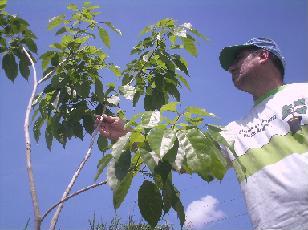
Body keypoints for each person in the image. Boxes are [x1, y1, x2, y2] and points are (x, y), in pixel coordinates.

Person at [96, 38, 308, 230]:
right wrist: (131, 135)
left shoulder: (303, 93)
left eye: (239, 59)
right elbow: (188, 161)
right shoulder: (235, 132)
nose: (231, 67)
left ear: (263, 56)